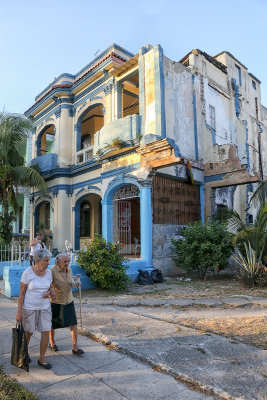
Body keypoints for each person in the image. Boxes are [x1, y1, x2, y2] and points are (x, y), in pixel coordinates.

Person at [16, 249, 56, 370]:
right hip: (30, 308)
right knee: (29, 332)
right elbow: (22, 294)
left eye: (49, 260)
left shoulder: (48, 273)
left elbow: (51, 286)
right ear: (38, 260)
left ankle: (42, 358)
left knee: (45, 331)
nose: (49, 263)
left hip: (45, 308)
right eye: (46, 260)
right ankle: (23, 354)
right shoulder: (28, 273)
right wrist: (19, 311)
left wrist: (50, 292)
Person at [49, 253, 84, 355]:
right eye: (65, 261)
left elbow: (70, 282)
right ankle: (52, 342)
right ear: (57, 261)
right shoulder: (52, 271)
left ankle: (75, 346)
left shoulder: (69, 269)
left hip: (68, 300)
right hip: (57, 302)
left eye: (68, 261)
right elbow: (48, 283)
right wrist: (51, 290)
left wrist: (76, 283)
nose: (67, 263)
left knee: (73, 323)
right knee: (53, 324)